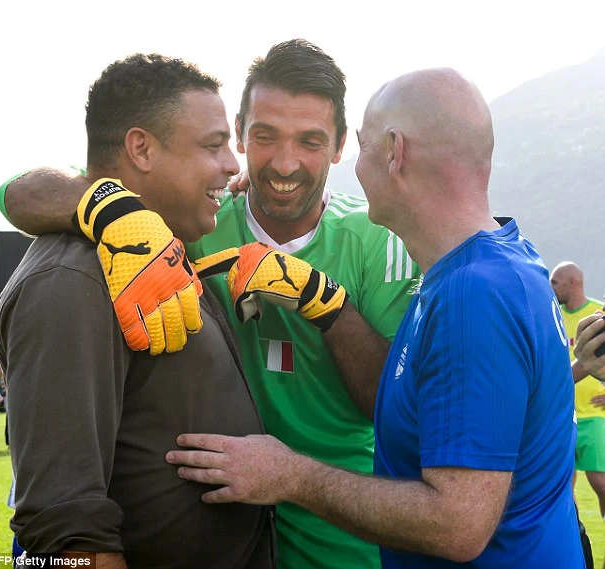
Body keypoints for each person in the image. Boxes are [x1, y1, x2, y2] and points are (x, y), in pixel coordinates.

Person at [0, 40, 419, 569]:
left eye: (309, 141)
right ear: (242, 131)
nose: (283, 162)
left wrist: (328, 307)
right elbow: (16, 192)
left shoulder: (376, 236)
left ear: (339, 146)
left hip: (338, 536)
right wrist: (107, 208)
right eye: (261, 137)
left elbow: (398, 411)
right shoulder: (173, 232)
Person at [164, 68, 585, 568]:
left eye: (361, 146)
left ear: (394, 152)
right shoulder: (501, 263)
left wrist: (290, 474)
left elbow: (457, 525)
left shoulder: (475, 296)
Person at [0, 53, 276, 569]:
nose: (233, 165)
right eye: (213, 146)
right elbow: (66, 531)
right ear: (141, 148)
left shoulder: (163, 249)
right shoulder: (72, 277)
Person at [550, 262, 605, 518]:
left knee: (601, 484)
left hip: (595, 414)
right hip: (561, 413)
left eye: (555, 282)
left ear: (573, 283)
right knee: (562, 488)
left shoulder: (598, 313)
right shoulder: (552, 315)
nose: (550, 287)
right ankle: (577, 544)